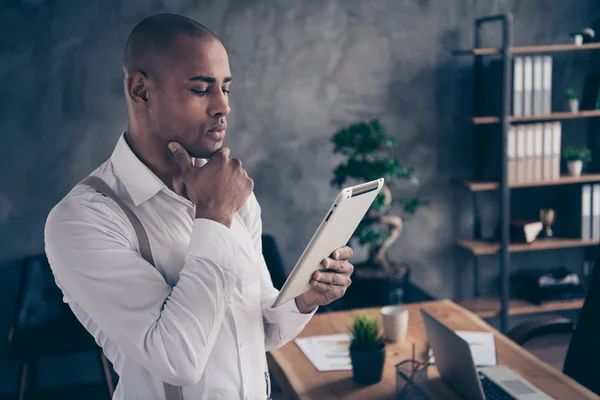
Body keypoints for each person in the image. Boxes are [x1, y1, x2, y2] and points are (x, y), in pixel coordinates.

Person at [44, 13, 354, 400]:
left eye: (226, 88)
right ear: (141, 91)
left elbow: (261, 329)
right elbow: (177, 359)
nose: (222, 106)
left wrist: (305, 299)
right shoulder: (83, 219)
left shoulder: (231, 191)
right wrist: (214, 216)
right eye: (200, 89)